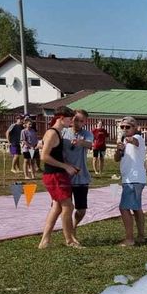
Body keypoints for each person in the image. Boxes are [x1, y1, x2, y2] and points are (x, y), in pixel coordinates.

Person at [38, 107, 81, 249]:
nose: (71, 122)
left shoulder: (57, 133)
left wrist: (69, 166)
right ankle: (69, 240)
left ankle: (44, 241)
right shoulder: (52, 133)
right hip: (55, 176)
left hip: (57, 174)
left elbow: (55, 155)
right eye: (70, 119)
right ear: (61, 118)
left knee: (57, 207)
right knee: (68, 206)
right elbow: (44, 157)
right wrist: (65, 166)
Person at [114, 116, 147, 247]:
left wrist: (125, 138)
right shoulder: (124, 143)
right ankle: (141, 236)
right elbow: (117, 159)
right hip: (131, 178)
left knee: (124, 208)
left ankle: (129, 239)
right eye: (122, 127)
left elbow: (134, 141)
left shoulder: (138, 138)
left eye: (127, 127)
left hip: (133, 179)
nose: (124, 129)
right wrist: (119, 149)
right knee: (137, 208)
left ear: (135, 128)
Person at [63, 109, 94, 229]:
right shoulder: (63, 132)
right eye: (76, 119)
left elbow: (90, 145)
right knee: (65, 208)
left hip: (81, 177)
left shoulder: (87, 134)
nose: (77, 123)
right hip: (64, 176)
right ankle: (68, 232)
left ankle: (74, 226)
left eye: (81, 121)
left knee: (81, 210)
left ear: (85, 122)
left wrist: (80, 142)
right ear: (71, 119)